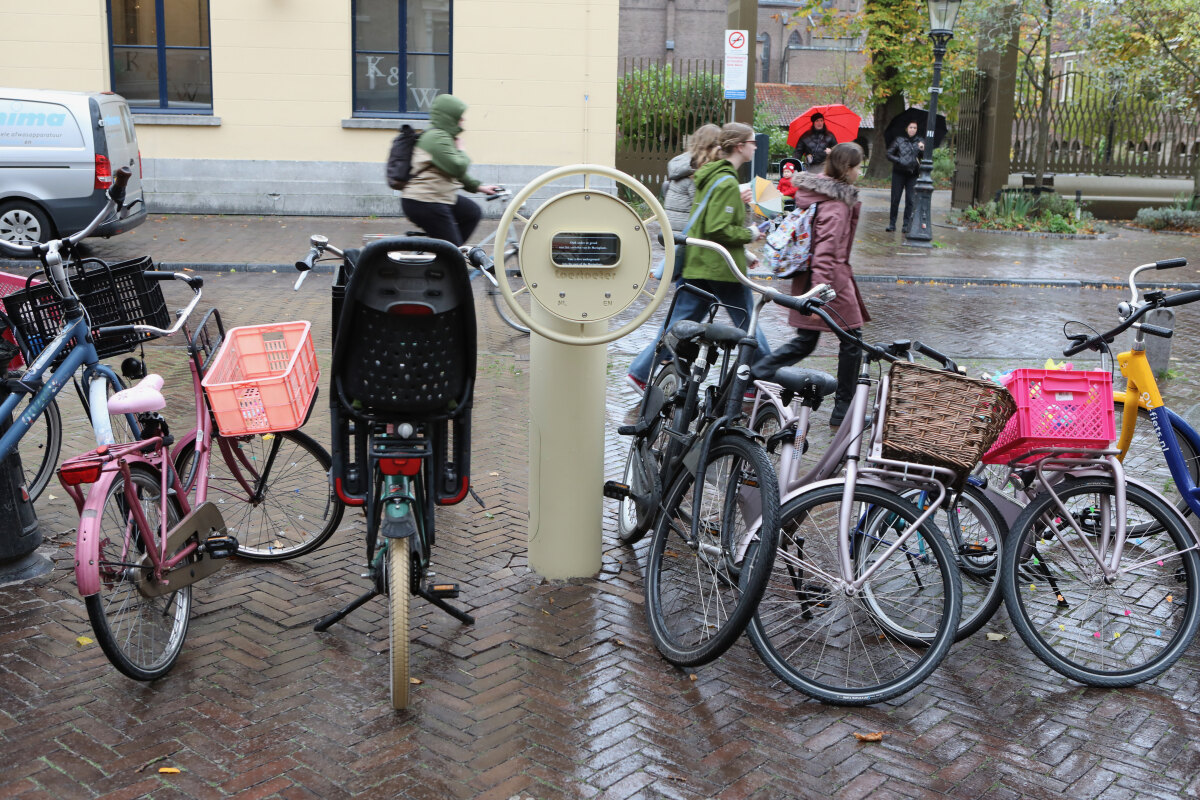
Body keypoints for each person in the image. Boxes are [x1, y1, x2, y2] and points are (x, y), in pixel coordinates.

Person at [626, 122, 770, 392]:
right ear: (740, 146)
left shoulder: (709, 175)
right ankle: (762, 380)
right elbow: (718, 228)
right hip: (721, 269)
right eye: (753, 142)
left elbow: (704, 223)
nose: (755, 147)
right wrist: (750, 234)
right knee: (749, 324)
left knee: (677, 326)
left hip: (699, 264)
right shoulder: (726, 181)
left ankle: (640, 373)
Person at [750, 142, 869, 427]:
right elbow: (826, 253)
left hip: (822, 280)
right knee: (851, 343)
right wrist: (818, 296)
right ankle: (843, 411)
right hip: (830, 284)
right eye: (858, 167)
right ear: (847, 169)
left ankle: (753, 374)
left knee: (809, 342)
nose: (860, 172)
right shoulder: (836, 204)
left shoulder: (821, 193)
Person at [400, 94, 502, 246]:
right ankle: (449, 261)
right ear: (449, 117)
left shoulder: (443, 137)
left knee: (472, 212)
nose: (463, 121)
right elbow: (458, 167)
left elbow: (453, 172)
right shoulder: (436, 138)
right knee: (452, 250)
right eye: (459, 117)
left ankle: (447, 257)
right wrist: (461, 150)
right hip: (423, 201)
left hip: (437, 197)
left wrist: (480, 187)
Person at [660, 123, 721, 280]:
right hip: (689, 241)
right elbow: (705, 211)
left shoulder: (684, 167)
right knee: (690, 286)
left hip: (676, 236)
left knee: (688, 286)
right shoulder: (696, 174)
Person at [886, 120, 924, 233]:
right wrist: (899, 160)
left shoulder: (920, 141)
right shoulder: (899, 140)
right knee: (895, 199)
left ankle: (906, 224)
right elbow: (888, 154)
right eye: (911, 127)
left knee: (910, 200)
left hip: (912, 174)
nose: (913, 129)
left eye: (915, 128)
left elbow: (924, 157)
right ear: (906, 128)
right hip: (898, 173)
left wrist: (923, 149)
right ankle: (892, 224)